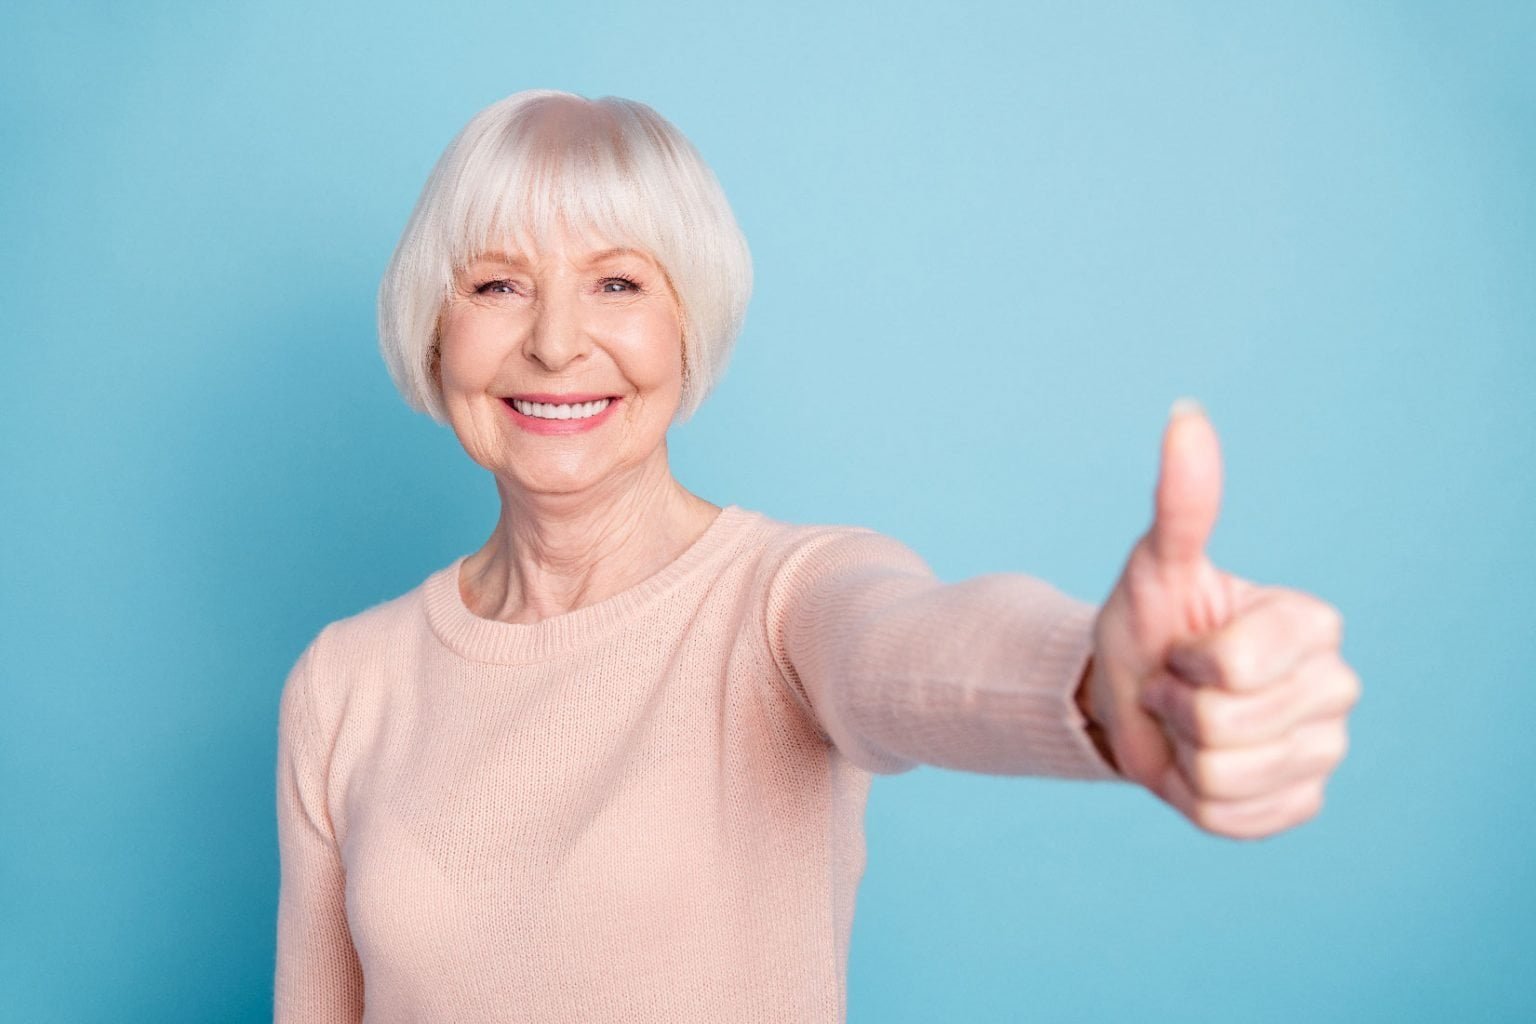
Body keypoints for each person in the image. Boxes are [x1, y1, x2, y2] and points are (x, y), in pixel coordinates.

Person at [273, 88, 1359, 1022]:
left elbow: (908, 646)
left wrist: (1093, 682)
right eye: (497, 283)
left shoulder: (780, 602)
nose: (556, 341)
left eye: (619, 283)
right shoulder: (346, 681)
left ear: (689, 326)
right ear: (434, 326)